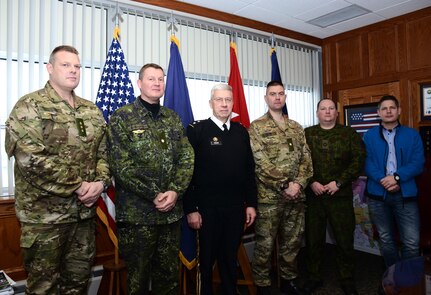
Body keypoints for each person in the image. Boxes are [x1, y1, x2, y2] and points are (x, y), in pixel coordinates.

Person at [5, 45, 111, 295]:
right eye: (66, 65)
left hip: (83, 217)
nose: (73, 70)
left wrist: (100, 183)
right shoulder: (30, 106)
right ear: (50, 68)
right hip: (45, 219)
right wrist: (79, 186)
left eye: (77, 66)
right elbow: (30, 159)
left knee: (77, 284)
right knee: (43, 288)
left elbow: (104, 154)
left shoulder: (91, 110)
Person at [106, 63, 194, 295]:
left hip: (171, 215)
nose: (157, 83)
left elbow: (186, 157)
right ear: (140, 83)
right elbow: (121, 166)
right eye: (151, 79)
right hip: (138, 217)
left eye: (160, 79)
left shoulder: (172, 118)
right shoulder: (122, 117)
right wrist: (155, 194)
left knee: (168, 278)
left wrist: (175, 191)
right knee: (138, 279)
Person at [184, 83, 258, 295]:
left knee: (229, 259)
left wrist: (251, 204)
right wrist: (191, 208)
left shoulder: (241, 132)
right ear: (210, 103)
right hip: (206, 210)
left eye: (228, 100)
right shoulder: (196, 131)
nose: (224, 104)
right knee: (206, 262)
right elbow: (186, 172)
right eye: (219, 100)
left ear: (233, 103)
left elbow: (248, 171)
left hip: (235, 208)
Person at [249, 80, 313, 295]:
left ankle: (288, 281)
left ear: (285, 97)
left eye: (281, 94)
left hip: (296, 197)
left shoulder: (296, 127)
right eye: (272, 94)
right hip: (270, 198)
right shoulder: (257, 127)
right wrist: (286, 185)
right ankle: (263, 285)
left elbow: (307, 160)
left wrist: (299, 184)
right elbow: (260, 162)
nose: (277, 97)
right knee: (265, 245)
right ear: (266, 98)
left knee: (292, 243)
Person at [303, 98, 365, 295]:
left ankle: (347, 279)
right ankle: (314, 277)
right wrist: (311, 182)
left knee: (344, 240)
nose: (327, 112)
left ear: (337, 113)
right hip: (315, 197)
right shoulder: (307, 134)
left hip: (340, 196)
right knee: (313, 241)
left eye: (331, 109)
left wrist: (338, 182)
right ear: (317, 112)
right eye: (323, 108)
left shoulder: (349, 134)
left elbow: (358, 161)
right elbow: (300, 162)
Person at [363, 95, 424, 270]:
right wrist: (384, 180)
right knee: (386, 239)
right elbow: (366, 162)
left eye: (392, 107)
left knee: (412, 242)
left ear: (399, 111)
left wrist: (396, 178)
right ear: (378, 113)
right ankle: (394, 278)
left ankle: (410, 283)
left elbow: (417, 163)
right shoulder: (369, 136)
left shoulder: (412, 135)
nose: (388, 111)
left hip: (405, 195)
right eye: (384, 108)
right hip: (378, 196)